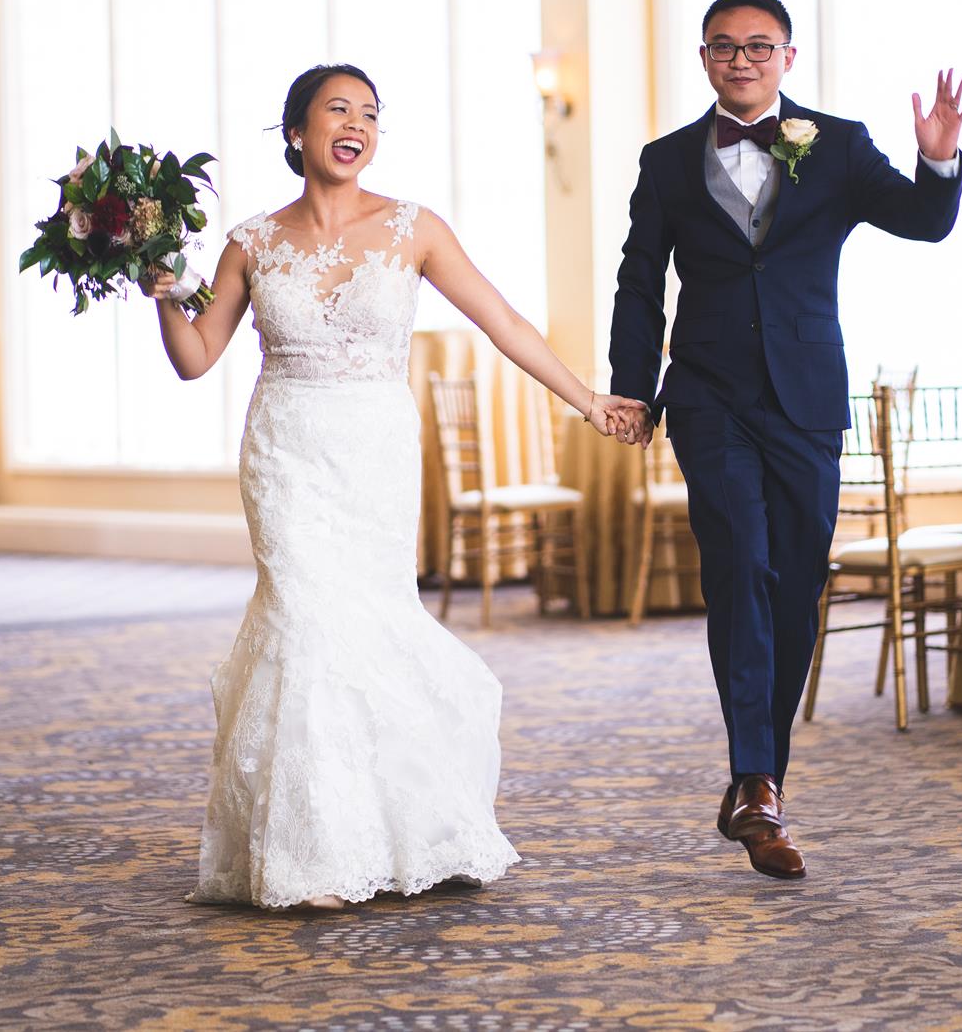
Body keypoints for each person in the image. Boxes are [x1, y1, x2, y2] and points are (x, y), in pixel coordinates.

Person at [143, 63, 644, 910]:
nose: (357, 125)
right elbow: (196, 358)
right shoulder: (251, 241)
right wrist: (160, 295)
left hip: (375, 451)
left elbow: (503, 321)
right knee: (302, 620)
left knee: (370, 622)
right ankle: (310, 852)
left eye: (370, 114)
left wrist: (588, 399)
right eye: (338, 109)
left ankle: (411, 826)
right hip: (286, 451)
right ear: (295, 130)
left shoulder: (414, 228)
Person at [606, 0, 962, 880]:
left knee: (798, 577)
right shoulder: (665, 161)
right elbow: (640, 280)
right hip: (708, 395)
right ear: (704, 57)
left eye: (758, 45)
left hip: (805, 395)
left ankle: (758, 782)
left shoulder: (836, 145)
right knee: (740, 562)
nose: (741, 59)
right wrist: (633, 389)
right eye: (724, 46)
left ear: (788, 58)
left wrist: (939, 160)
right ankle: (756, 780)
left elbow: (925, 222)